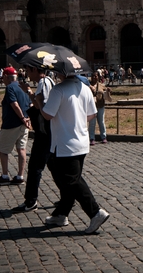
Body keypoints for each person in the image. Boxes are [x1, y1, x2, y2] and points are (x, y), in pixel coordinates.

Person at [41, 72, 110, 233]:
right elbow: (92, 114)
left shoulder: (58, 90)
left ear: (61, 72)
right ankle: (61, 214)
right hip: (81, 141)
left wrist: (38, 101)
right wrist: (75, 118)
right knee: (68, 181)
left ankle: (95, 212)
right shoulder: (85, 88)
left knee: (72, 181)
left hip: (64, 143)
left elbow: (48, 114)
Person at [13, 65, 54, 213]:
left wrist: (29, 92)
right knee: (56, 167)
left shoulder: (43, 83)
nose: (27, 74)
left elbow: (40, 107)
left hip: (44, 132)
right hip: (50, 131)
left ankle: (31, 201)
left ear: (36, 70)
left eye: (29, 71)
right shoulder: (49, 81)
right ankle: (69, 195)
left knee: (35, 167)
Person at [0, 67, 31, 185]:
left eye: (2, 78)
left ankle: (5, 175)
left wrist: (21, 117)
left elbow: (14, 104)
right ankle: (20, 176)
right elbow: (30, 102)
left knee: (3, 149)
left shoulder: (10, 87)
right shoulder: (23, 86)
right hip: (24, 124)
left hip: (12, 124)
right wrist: (27, 118)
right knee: (21, 149)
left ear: (5, 77)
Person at [89, 74, 111, 145]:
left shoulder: (101, 85)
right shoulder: (87, 85)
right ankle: (92, 138)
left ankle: (103, 137)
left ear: (98, 77)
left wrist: (108, 91)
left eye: (95, 76)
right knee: (92, 123)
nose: (94, 77)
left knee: (101, 122)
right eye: (93, 76)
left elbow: (106, 93)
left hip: (100, 106)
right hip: (91, 107)